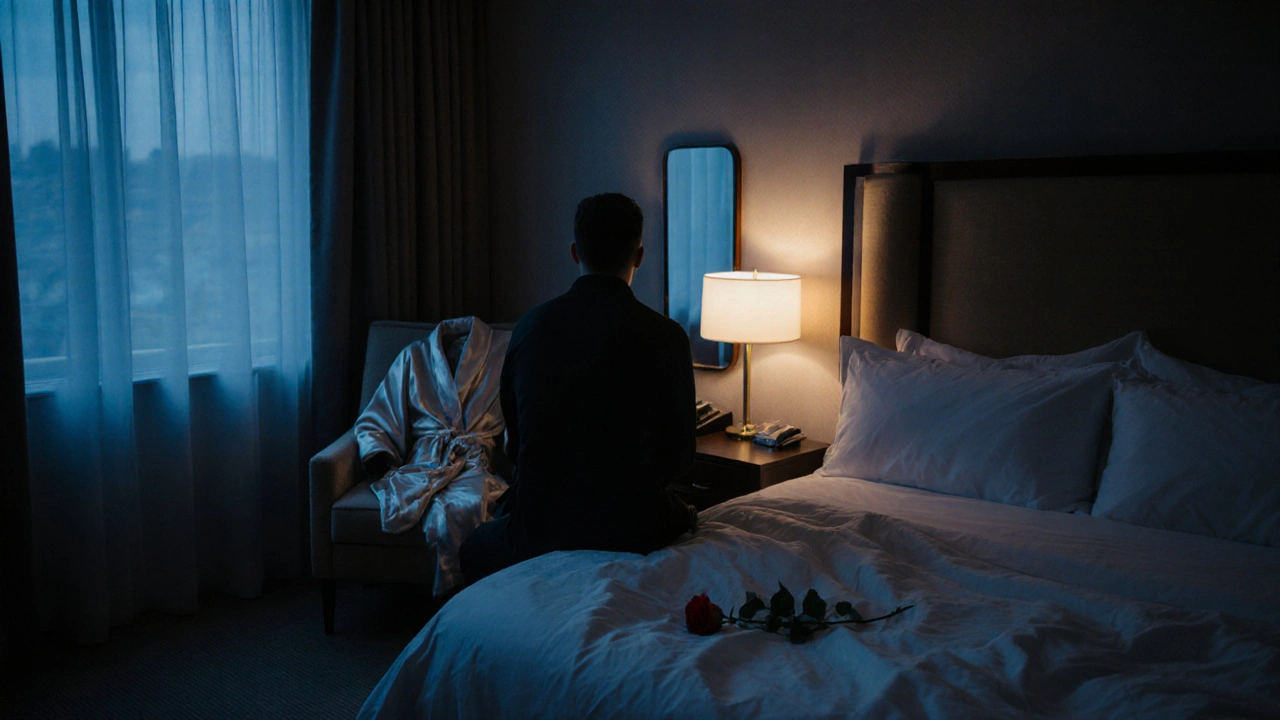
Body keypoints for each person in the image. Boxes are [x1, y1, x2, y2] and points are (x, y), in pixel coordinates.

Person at [460, 193, 698, 583]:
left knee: (474, 548)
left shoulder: (531, 328)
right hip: (632, 530)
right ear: (639, 256)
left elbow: (516, 447)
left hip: (543, 529)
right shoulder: (667, 338)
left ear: (574, 252)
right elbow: (680, 457)